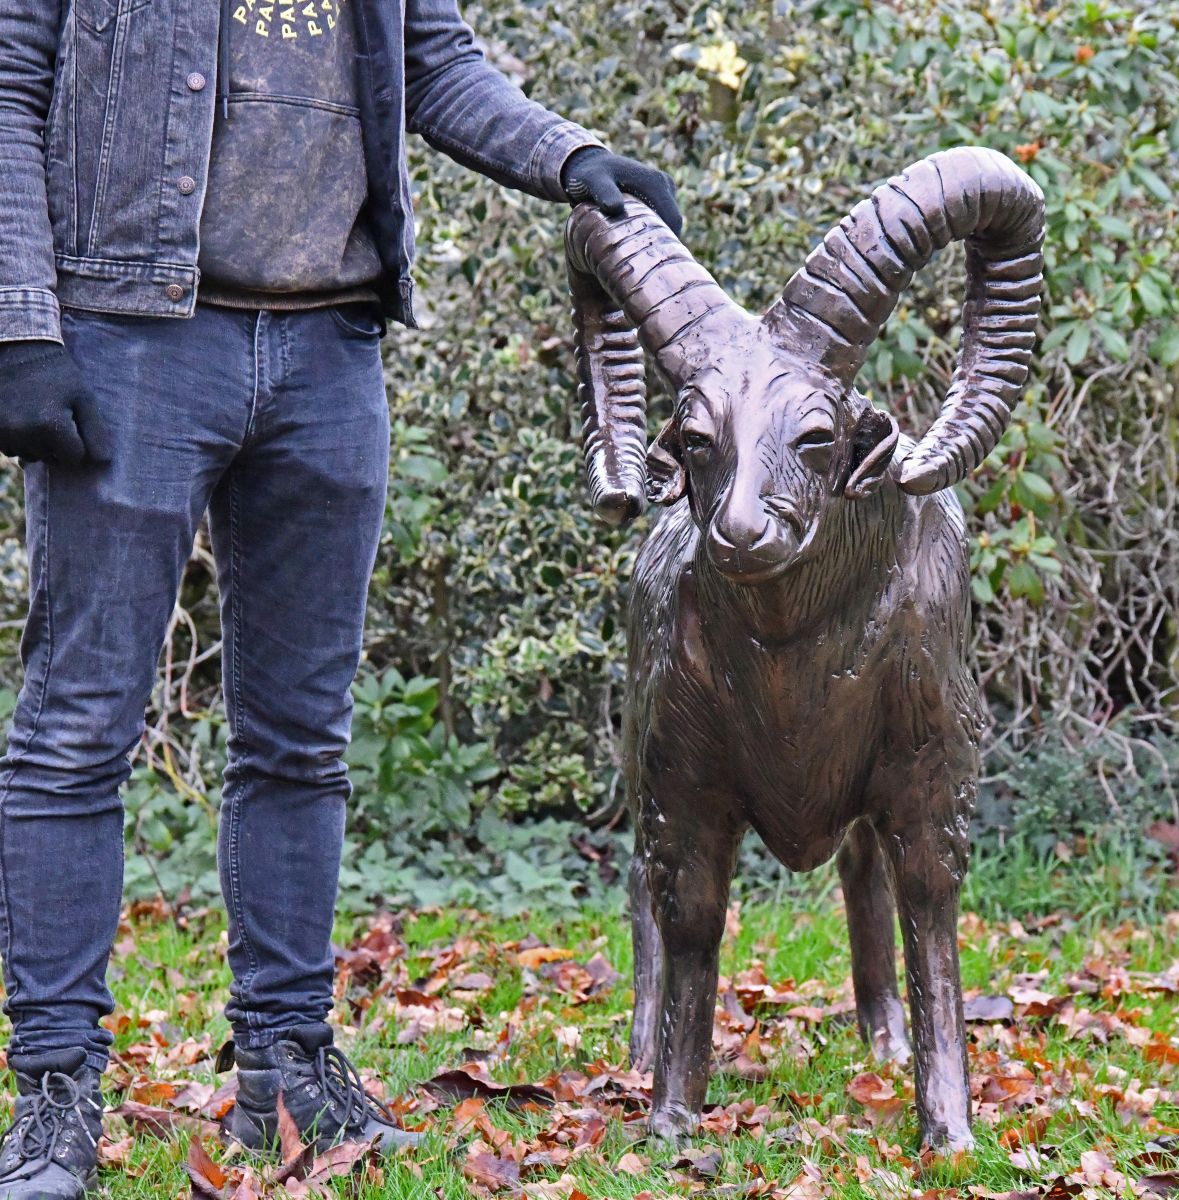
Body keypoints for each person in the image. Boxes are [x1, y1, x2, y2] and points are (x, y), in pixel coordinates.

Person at [0, 2, 681, 1195]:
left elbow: (436, 64)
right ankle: (56, 1095)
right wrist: (19, 327)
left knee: (301, 744)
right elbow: (8, 81)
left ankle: (285, 1068)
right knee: (74, 735)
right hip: (132, 337)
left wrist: (570, 157)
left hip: (329, 351)